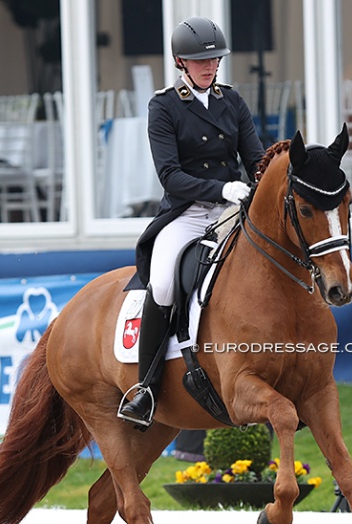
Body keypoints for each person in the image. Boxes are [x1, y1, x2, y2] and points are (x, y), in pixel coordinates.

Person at [118, 16, 265, 429]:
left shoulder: (231, 100)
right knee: (163, 283)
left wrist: (264, 181)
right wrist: (221, 190)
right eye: (201, 61)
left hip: (235, 211)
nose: (210, 66)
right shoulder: (163, 106)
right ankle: (144, 388)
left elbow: (254, 158)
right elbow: (170, 176)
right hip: (188, 213)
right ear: (181, 61)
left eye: (215, 59)